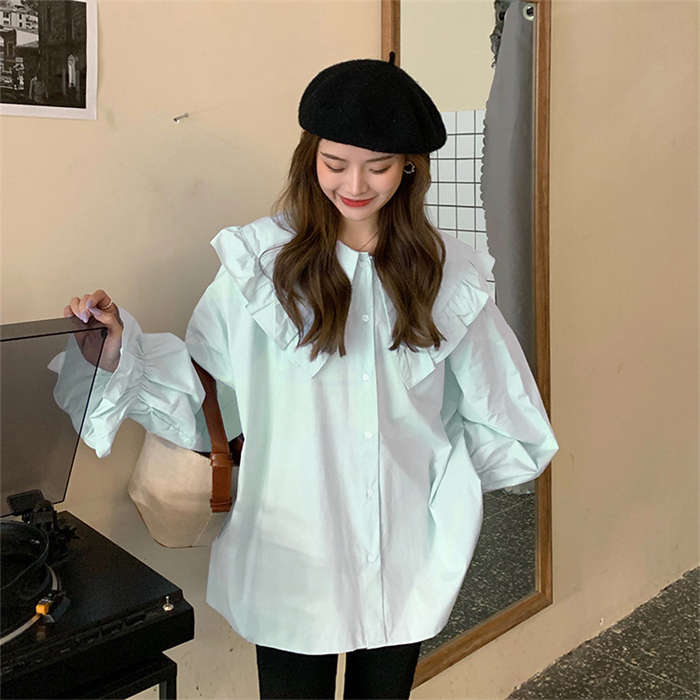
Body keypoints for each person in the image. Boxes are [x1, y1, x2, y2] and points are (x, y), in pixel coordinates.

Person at [64, 54, 559, 699]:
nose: (355, 184)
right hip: (293, 542)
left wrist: (450, 486)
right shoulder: (259, 266)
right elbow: (205, 394)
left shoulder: (448, 275)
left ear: (409, 167)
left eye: (379, 166)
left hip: (405, 540)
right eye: (335, 163)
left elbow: (498, 401)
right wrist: (117, 348)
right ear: (310, 158)